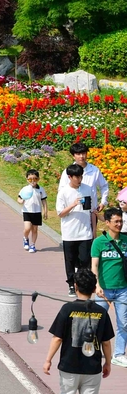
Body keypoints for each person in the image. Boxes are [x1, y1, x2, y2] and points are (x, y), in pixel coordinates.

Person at [44, 268, 114, 391]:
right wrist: (107, 362)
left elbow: (57, 338)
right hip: (92, 368)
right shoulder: (102, 312)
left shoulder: (67, 309)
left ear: (75, 286)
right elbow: (106, 343)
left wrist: (48, 360)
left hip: (69, 366)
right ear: (94, 289)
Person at [92, 207, 127, 368]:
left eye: (121, 221)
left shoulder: (126, 241)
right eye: (116, 221)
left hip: (122, 290)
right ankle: (93, 351)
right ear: (107, 223)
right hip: (104, 289)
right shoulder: (99, 242)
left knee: (124, 323)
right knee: (96, 322)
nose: (119, 224)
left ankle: (118, 354)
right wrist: (96, 285)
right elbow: (95, 265)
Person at [59, 162, 97, 296]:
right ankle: (71, 284)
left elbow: (92, 211)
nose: (79, 180)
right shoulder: (63, 192)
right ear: (70, 177)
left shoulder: (88, 189)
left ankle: (81, 283)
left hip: (85, 232)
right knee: (70, 260)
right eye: (77, 177)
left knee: (85, 260)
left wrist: (94, 230)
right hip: (69, 233)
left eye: (81, 177)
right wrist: (73, 204)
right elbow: (60, 213)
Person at [60, 142, 112, 219]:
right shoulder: (68, 171)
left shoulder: (94, 170)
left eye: (83, 153)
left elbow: (104, 186)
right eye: (78, 154)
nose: (81, 156)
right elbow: (62, 190)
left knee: (92, 230)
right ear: (73, 155)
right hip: (74, 212)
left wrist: (103, 202)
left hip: (91, 211)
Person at [19, 168, 48, 254]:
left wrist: (45, 211)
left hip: (37, 212)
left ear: (38, 179)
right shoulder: (25, 189)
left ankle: (33, 245)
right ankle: (25, 238)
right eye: (30, 179)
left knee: (35, 229)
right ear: (27, 179)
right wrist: (21, 201)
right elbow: (19, 198)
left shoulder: (41, 189)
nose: (33, 181)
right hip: (27, 211)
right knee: (27, 228)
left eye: (35, 179)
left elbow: (44, 201)